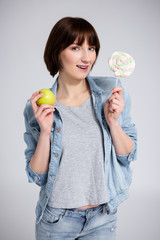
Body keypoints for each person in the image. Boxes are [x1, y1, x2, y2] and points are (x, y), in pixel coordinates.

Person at [23, 17, 137, 240]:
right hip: (57, 220)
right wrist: (45, 131)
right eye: (75, 47)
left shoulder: (112, 92)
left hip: (102, 218)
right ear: (57, 52)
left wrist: (113, 122)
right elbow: (37, 176)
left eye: (91, 48)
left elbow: (128, 155)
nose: (87, 57)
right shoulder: (39, 105)